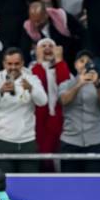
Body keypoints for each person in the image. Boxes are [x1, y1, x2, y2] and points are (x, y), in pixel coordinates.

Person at [0, 47, 48, 173]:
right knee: (4, 183)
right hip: (1, 140)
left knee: (29, 182)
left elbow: (43, 101)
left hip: (27, 140)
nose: (13, 67)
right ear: (4, 64)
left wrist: (31, 88)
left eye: (17, 64)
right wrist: (0, 91)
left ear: (23, 63)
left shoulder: (32, 79)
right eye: (9, 64)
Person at [58, 49, 100, 172]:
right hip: (70, 140)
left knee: (94, 183)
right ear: (76, 64)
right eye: (82, 61)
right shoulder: (66, 84)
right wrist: (79, 84)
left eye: (88, 62)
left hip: (95, 140)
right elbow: (64, 101)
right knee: (69, 183)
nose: (85, 64)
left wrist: (97, 83)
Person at [31, 39, 71, 171]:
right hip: (38, 117)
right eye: (43, 46)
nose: (47, 48)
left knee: (56, 154)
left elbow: (64, 83)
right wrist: (40, 62)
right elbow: (39, 82)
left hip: (59, 116)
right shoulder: (32, 68)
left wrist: (59, 60)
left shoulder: (62, 67)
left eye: (51, 46)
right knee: (43, 155)